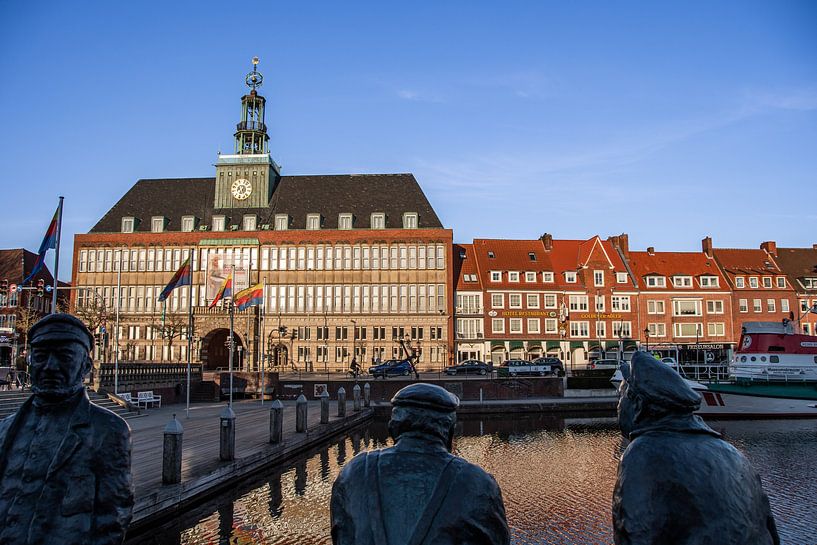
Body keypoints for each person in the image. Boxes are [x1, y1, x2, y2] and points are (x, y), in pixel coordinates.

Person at [613, 351, 779, 545]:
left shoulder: (643, 454)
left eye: (621, 396)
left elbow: (635, 534)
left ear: (639, 405)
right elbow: (771, 531)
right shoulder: (734, 455)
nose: (617, 406)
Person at [0, 313, 134, 545]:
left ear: (85, 366)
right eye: (41, 356)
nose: (50, 367)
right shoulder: (6, 428)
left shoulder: (108, 430)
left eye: (64, 357)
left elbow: (113, 518)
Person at [331, 383, 510, 544]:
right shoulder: (477, 483)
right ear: (449, 431)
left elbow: (341, 535)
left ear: (393, 427)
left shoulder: (353, 473)